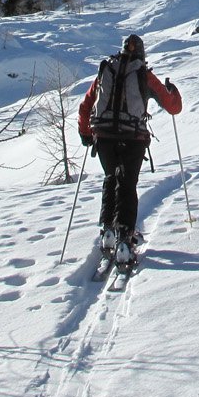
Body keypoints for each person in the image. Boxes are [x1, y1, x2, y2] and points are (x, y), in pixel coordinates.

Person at [77, 33, 182, 264]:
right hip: (133, 137)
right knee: (127, 184)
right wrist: (173, 91)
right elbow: (173, 107)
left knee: (110, 179)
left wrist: (86, 133)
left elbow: (86, 105)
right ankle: (125, 239)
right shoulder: (144, 74)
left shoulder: (107, 70)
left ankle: (108, 232)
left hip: (103, 137)